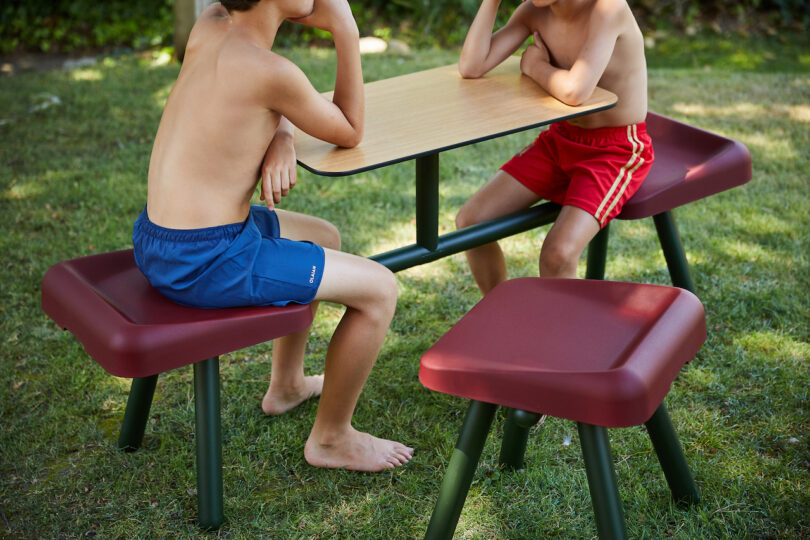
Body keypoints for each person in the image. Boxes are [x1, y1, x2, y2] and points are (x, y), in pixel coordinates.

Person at [132, 0, 413, 471]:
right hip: (208, 258)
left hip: (161, 239)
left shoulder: (210, 27)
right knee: (381, 289)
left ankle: (287, 385)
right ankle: (331, 438)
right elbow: (350, 129)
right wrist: (345, 26)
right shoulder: (272, 72)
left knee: (324, 234)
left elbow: (266, 102)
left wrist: (282, 136)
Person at [455, 0, 654, 292]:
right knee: (471, 222)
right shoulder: (533, 12)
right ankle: (500, 315)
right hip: (561, 140)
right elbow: (471, 67)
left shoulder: (608, 8)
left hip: (615, 151)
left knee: (556, 255)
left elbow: (575, 92)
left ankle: (565, 337)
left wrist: (536, 66)